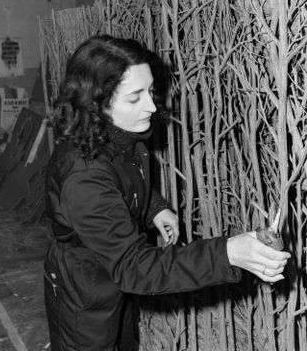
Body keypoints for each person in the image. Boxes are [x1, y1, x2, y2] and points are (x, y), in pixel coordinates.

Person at [43, 35, 290, 351]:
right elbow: (135, 267)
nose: (151, 105)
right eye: (135, 98)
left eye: (149, 91)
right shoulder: (81, 174)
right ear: (96, 103)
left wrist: (154, 207)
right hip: (84, 283)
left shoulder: (122, 136)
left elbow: (122, 182)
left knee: (125, 341)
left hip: (111, 267)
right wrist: (228, 253)